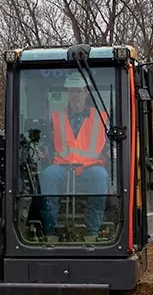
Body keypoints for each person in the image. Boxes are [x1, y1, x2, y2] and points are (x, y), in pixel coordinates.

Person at [39, 77, 109, 236]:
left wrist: (111, 152)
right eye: (71, 91)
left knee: (101, 176)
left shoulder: (101, 117)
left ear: (86, 93)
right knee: (48, 175)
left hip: (91, 167)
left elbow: (108, 143)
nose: (75, 95)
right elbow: (48, 142)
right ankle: (50, 231)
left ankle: (92, 231)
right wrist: (42, 150)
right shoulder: (56, 117)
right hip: (62, 166)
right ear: (67, 93)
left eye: (78, 91)